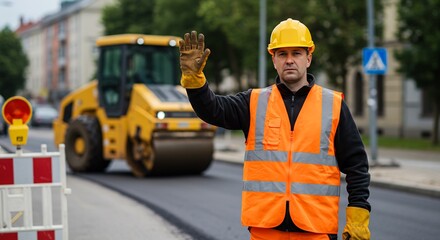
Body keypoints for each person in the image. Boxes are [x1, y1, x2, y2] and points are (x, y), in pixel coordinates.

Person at [179, 18, 371, 240]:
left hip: (316, 231)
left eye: (296, 53)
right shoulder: (253, 102)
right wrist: (195, 82)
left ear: (308, 58)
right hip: (265, 230)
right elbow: (213, 110)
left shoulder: (334, 105)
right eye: (282, 54)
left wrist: (358, 218)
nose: (289, 60)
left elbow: (357, 166)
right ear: (274, 60)